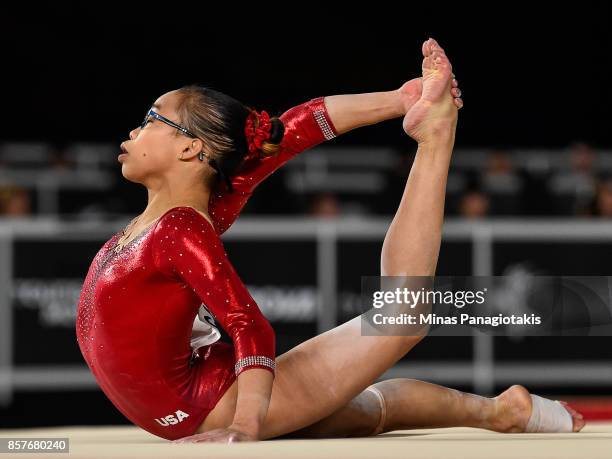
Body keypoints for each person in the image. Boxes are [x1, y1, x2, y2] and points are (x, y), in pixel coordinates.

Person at [76, 38, 583, 444]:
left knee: (399, 317)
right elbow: (293, 128)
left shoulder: (183, 226)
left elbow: (249, 324)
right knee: (367, 413)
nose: (134, 130)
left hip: (215, 403)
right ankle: (502, 411)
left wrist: (244, 427)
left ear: (190, 147)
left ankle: (436, 139)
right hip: (199, 398)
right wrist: (402, 99)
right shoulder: (193, 212)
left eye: (150, 120)